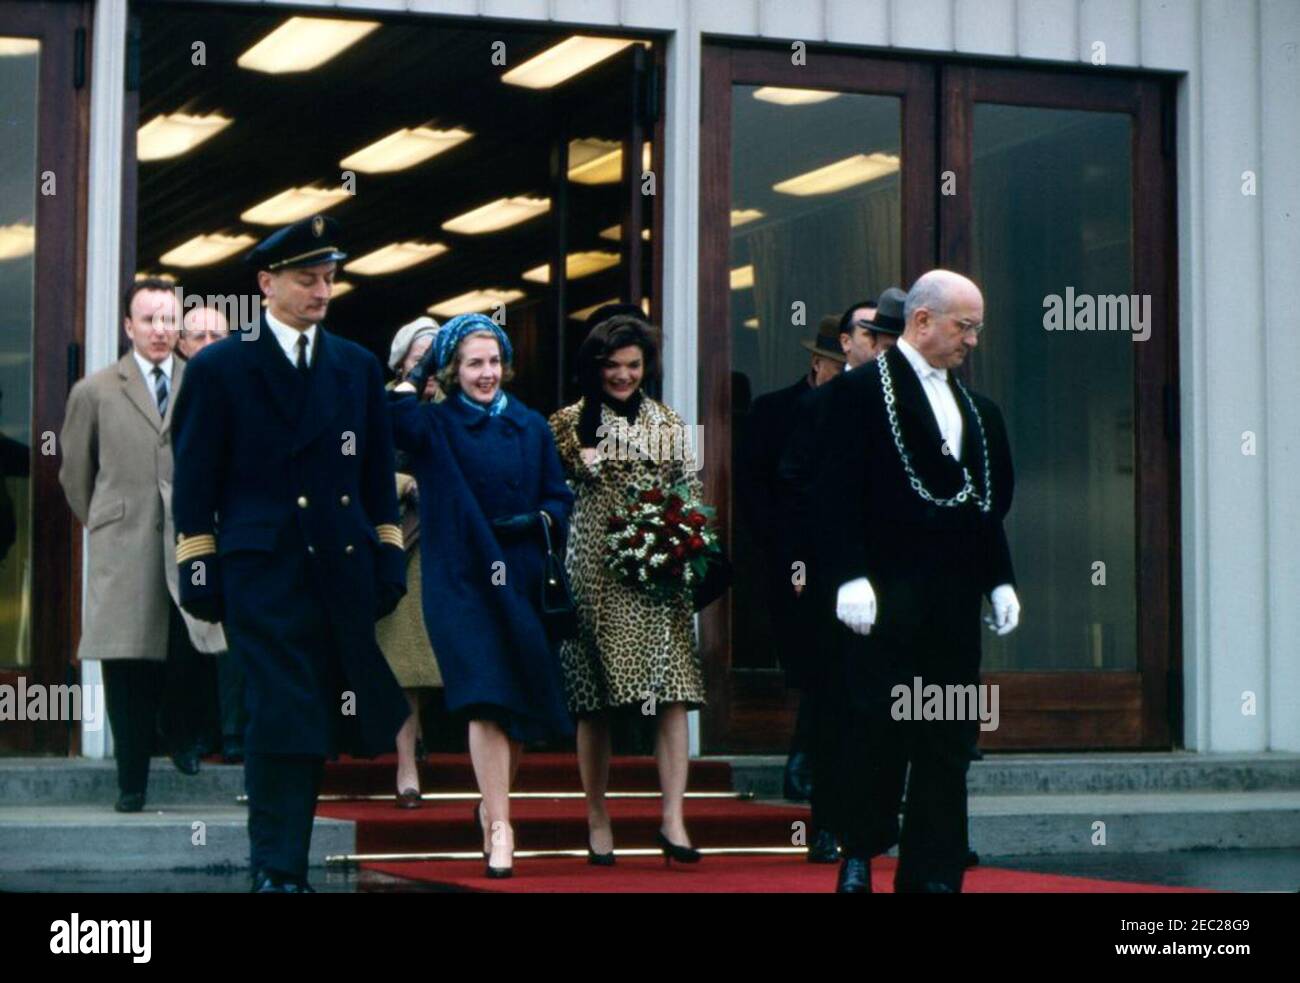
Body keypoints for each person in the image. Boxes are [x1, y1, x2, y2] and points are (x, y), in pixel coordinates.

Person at [170, 216, 409, 893]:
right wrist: (199, 563)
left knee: (317, 717)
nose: (323, 290)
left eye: (330, 277)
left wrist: (387, 556)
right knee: (280, 712)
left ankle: (283, 865)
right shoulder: (222, 367)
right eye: (308, 278)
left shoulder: (355, 367)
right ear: (266, 283)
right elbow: (195, 479)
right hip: (260, 569)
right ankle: (277, 867)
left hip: (336, 565)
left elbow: (375, 478)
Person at [798, 269, 1020, 893]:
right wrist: (847, 575)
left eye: (977, 328)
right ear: (922, 321)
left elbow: (985, 505)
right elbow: (831, 494)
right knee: (876, 727)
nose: (972, 340)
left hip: (949, 600)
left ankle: (935, 870)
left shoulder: (980, 410)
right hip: (884, 594)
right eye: (964, 326)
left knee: (948, 736)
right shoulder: (856, 394)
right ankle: (860, 850)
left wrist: (998, 581)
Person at [391, 313, 574, 878]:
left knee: (517, 706)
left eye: (494, 362)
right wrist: (420, 365)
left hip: (519, 574)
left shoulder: (531, 425)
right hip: (462, 579)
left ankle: (490, 804)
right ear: (452, 370)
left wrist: (540, 517)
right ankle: (501, 826)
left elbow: (559, 497)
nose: (487, 373)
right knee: (487, 696)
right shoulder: (435, 424)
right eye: (474, 363)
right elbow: (393, 418)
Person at [548, 313, 708, 866]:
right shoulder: (567, 422)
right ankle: (597, 818)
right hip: (594, 572)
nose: (623, 375)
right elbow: (556, 487)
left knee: (674, 695)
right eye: (612, 366)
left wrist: (681, 538)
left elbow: (691, 491)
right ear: (595, 367)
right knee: (594, 702)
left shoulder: (668, 422)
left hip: (656, 577)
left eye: (633, 365)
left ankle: (674, 820)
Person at [58, 278, 221, 811]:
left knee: (191, 645)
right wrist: (107, 519)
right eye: (148, 319)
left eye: (167, 319)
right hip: (123, 543)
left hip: (187, 538)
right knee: (128, 663)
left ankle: (183, 734)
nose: (159, 329)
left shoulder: (202, 383)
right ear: (129, 326)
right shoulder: (96, 390)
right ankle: (132, 782)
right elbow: (75, 475)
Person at [734, 316, 845, 854]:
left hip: (844, 562)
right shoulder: (775, 410)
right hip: (787, 556)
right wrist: (780, 551)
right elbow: (755, 487)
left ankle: (810, 763)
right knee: (805, 656)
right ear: (818, 362)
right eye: (837, 365)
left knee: (831, 665)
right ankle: (806, 762)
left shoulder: (861, 409)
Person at [378, 316, 444, 808]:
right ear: (401, 361)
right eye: (420, 357)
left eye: (438, 357)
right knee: (405, 662)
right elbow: (358, 466)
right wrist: (407, 485)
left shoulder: (460, 407)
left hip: (453, 549)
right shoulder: (377, 403)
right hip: (400, 543)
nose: (429, 368)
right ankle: (406, 768)